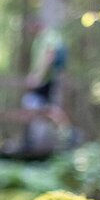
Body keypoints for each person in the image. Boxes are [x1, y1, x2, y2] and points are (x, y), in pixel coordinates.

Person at [22, 19, 72, 149]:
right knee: (40, 107)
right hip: (44, 79)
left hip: (46, 79)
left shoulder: (49, 36)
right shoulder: (40, 39)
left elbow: (49, 56)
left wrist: (38, 76)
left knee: (41, 107)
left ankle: (67, 135)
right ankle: (64, 134)